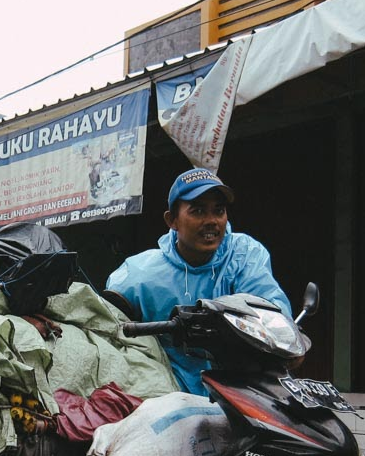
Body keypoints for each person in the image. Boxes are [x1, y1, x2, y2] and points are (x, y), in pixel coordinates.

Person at [105, 167, 290, 397]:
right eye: (198, 211)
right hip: (167, 399)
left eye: (219, 210)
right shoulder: (136, 275)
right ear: (172, 219)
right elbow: (107, 330)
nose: (212, 221)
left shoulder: (245, 255)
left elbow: (270, 313)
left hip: (244, 396)